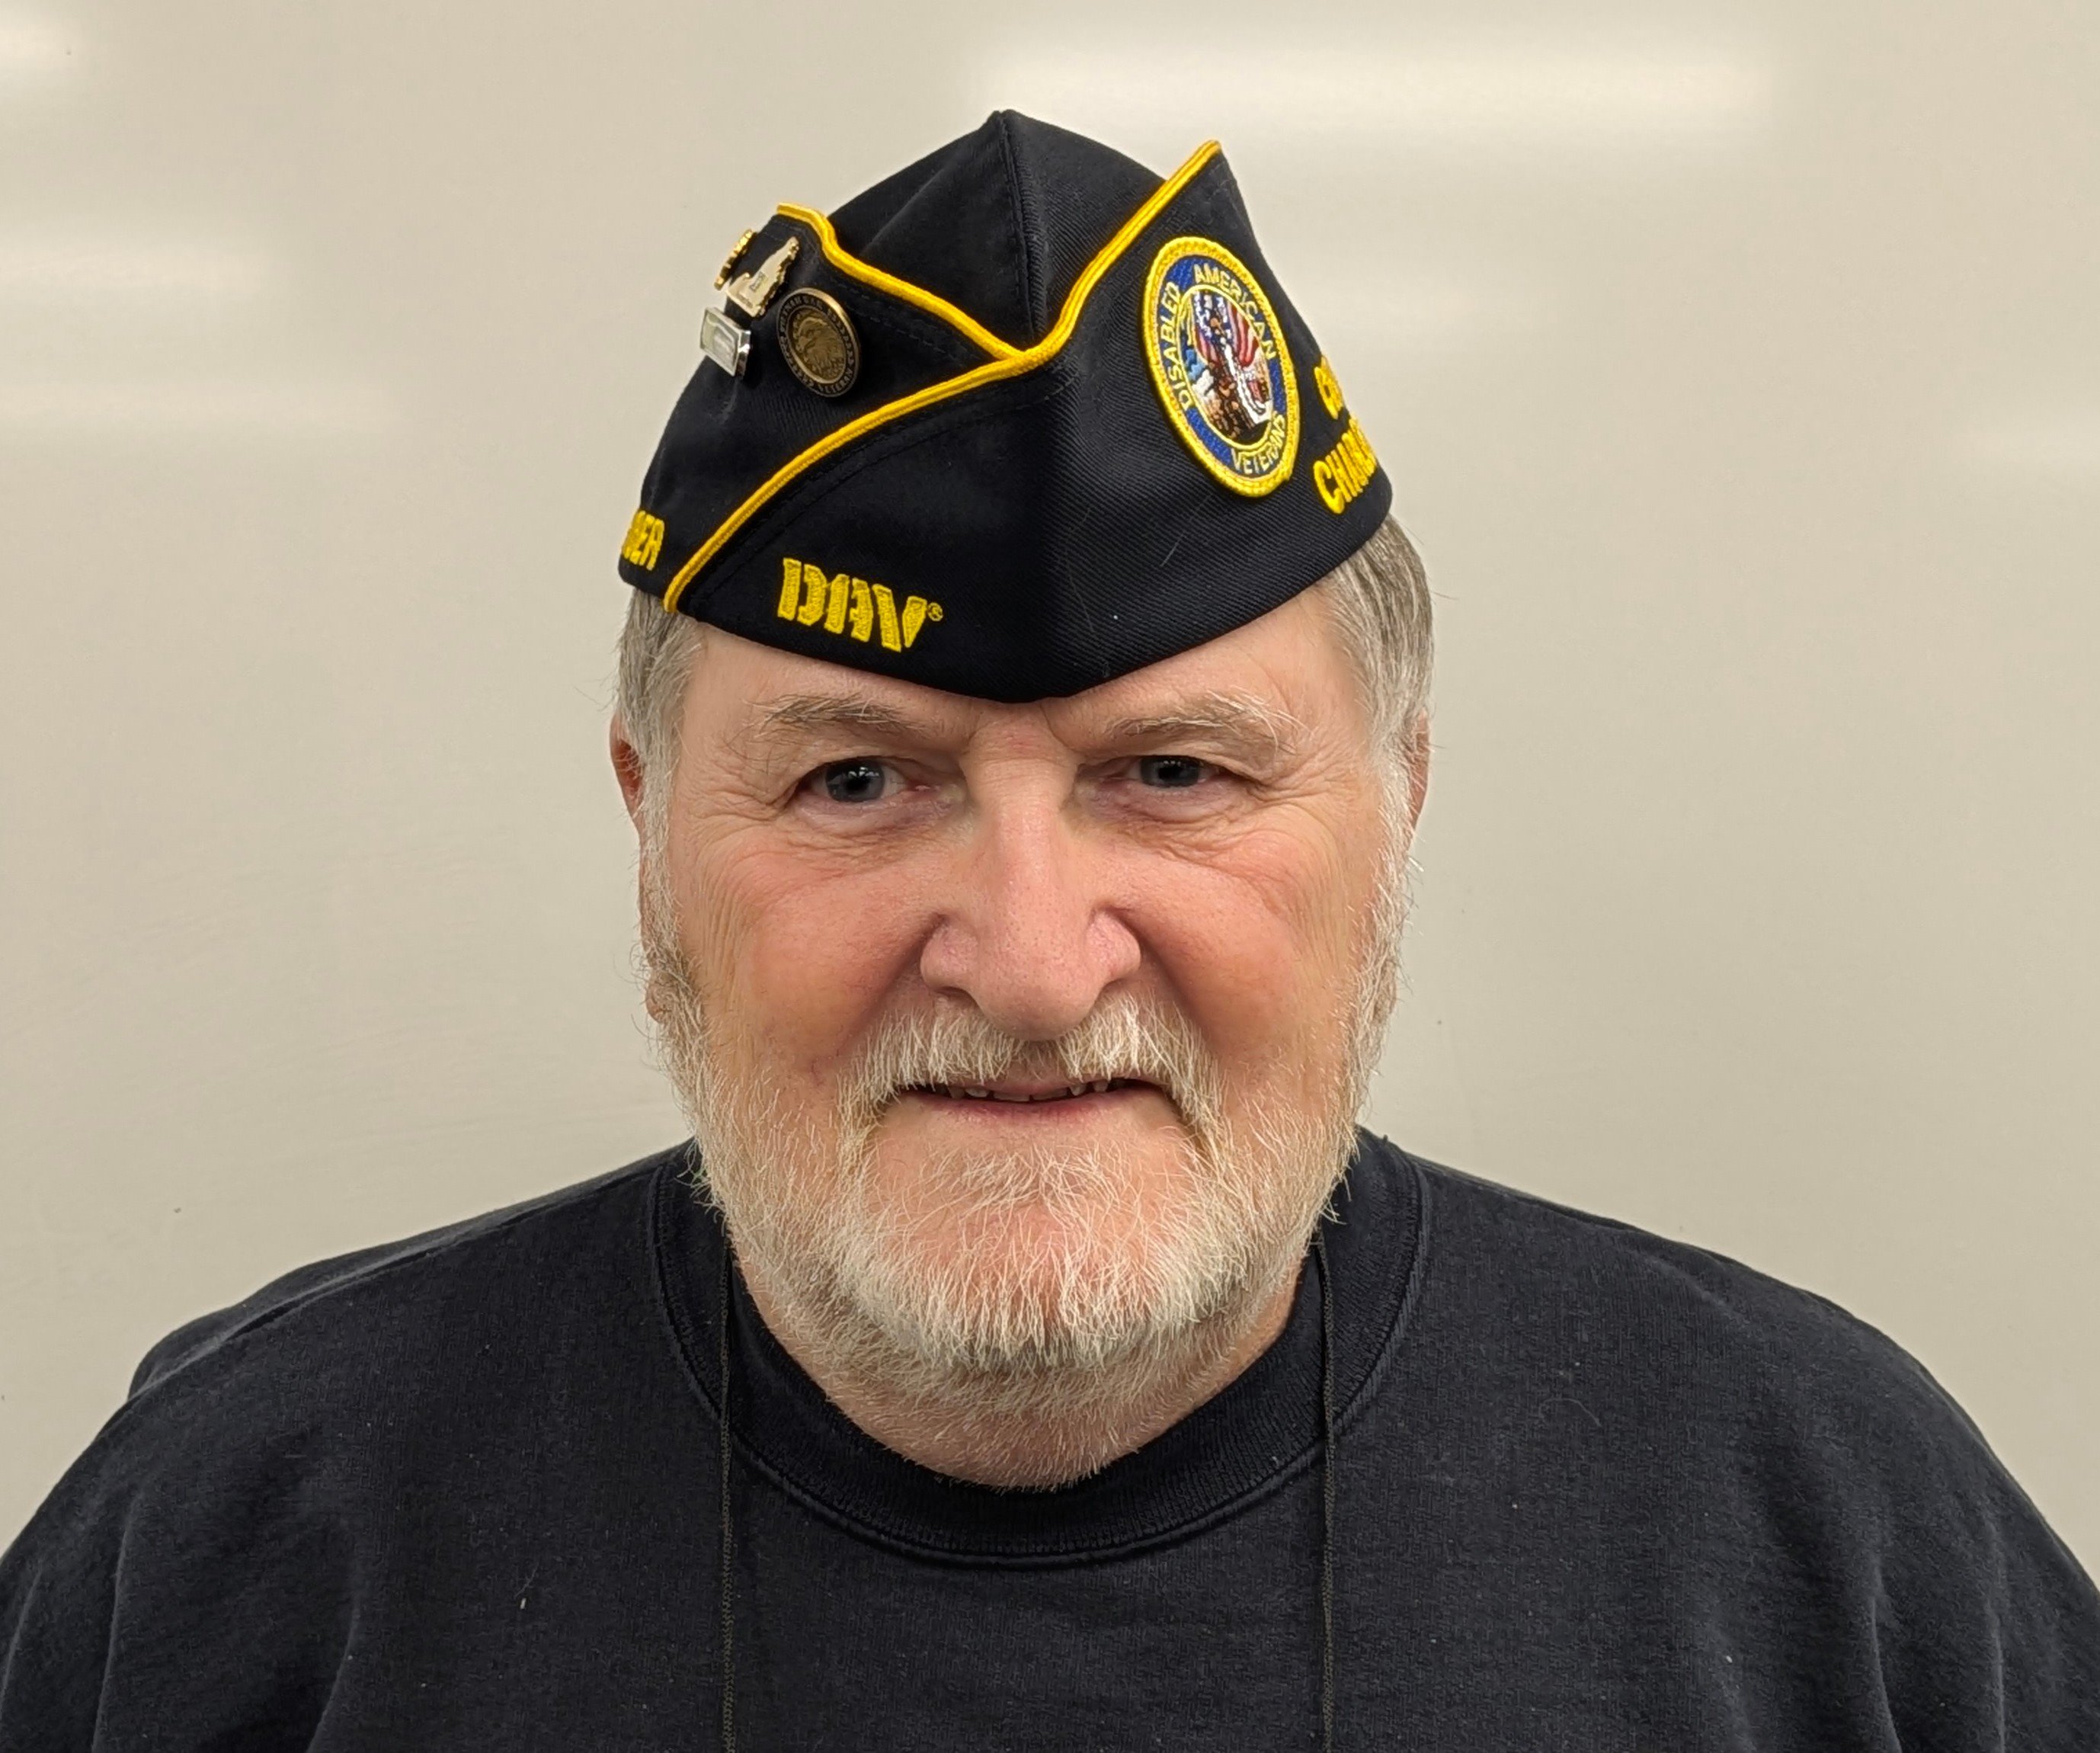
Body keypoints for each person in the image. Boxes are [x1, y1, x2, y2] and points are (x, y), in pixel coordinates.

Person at [2, 111, 2093, 1751]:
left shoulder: (1819, 1536)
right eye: (855, 782)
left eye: (1172, 772)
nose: (1024, 963)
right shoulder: (250, 1537)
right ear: (648, 827)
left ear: (1398, 804)